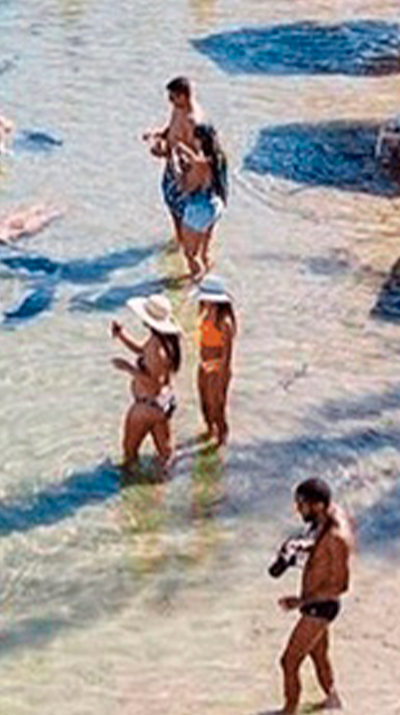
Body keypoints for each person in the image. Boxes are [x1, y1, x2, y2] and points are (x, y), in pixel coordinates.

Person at [276, 478, 353, 715]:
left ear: (318, 505)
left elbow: (341, 585)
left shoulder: (337, 537)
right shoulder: (328, 515)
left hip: (320, 606)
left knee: (289, 662)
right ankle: (333, 701)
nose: (298, 509)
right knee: (318, 655)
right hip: (315, 603)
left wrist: (300, 602)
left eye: (302, 504)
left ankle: (289, 713)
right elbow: (321, 548)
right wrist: (302, 547)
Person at [111, 294, 182, 475]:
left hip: (145, 406)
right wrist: (122, 336)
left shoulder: (157, 348)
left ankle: (130, 495)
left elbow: (154, 383)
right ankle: (161, 491)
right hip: (162, 405)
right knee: (165, 456)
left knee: (130, 456)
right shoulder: (165, 342)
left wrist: (128, 368)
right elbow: (143, 352)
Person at [144, 77, 206, 242]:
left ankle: (186, 243)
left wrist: (165, 153)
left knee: (185, 212)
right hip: (172, 167)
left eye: (173, 97)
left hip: (184, 172)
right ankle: (179, 239)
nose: (170, 101)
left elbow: (198, 154)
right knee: (172, 206)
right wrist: (158, 135)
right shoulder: (179, 108)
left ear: (184, 96)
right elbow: (172, 128)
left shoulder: (193, 120)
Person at [173, 124, 229, 282]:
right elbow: (197, 160)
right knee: (205, 250)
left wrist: (176, 165)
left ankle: (198, 284)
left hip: (199, 208)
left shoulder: (200, 164)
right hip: (215, 204)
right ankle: (208, 272)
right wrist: (183, 149)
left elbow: (186, 187)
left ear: (200, 141)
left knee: (190, 254)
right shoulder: (219, 158)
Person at [195, 275, 237, 446]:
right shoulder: (206, 315)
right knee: (204, 405)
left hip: (218, 368)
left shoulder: (224, 322)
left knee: (217, 408)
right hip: (204, 365)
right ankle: (209, 434)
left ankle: (221, 440)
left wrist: (220, 377)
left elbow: (227, 356)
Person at [0, 204, 64, 246]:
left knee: (41, 219)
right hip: (6, 226)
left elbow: (8, 239)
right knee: (29, 214)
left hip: (12, 231)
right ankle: (49, 207)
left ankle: (57, 211)